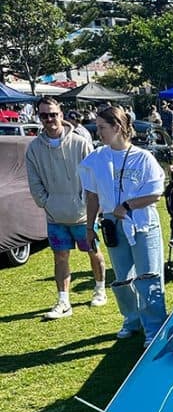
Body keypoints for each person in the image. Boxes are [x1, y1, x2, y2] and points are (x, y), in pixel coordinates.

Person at [79, 104, 167, 346]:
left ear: (117, 126)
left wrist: (127, 206)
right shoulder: (96, 159)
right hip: (111, 224)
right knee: (121, 278)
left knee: (148, 276)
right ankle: (131, 318)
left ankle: (154, 326)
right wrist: (89, 227)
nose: (98, 133)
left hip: (142, 224)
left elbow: (155, 193)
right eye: (97, 127)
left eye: (102, 127)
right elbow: (93, 195)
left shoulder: (143, 157)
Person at [25, 96, 107, 320]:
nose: (50, 119)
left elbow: (92, 176)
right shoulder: (33, 148)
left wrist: (87, 205)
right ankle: (63, 301)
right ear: (39, 117)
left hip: (82, 216)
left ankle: (100, 289)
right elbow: (34, 182)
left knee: (93, 252)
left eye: (53, 114)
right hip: (55, 216)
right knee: (60, 258)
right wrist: (47, 202)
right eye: (44, 115)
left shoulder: (80, 142)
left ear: (61, 114)